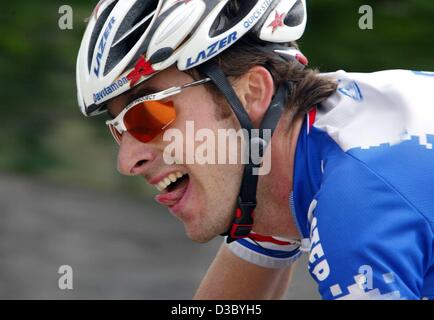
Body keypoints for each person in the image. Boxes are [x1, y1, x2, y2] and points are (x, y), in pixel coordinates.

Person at [76, 0, 434, 300]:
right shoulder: (295, 159)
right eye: (118, 129)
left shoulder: (357, 205)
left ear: (252, 94)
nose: (127, 161)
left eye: (147, 114)